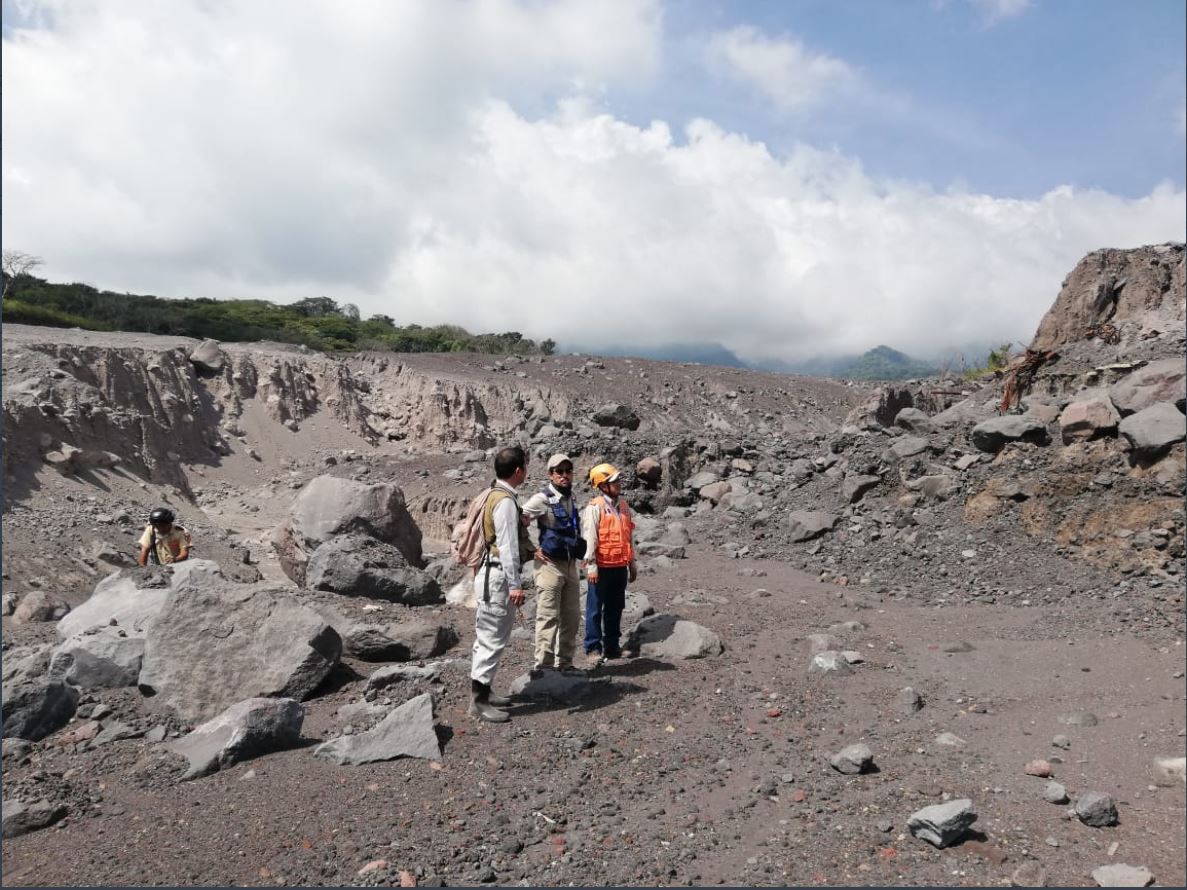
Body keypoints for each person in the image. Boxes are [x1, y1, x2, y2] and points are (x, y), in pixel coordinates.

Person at [469, 445, 535, 723]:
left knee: (489, 636)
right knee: (492, 638)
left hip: (490, 575)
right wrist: (515, 583)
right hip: (497, 577)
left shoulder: (494, 495)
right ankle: (479, 702)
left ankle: (484, 691)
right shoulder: (505, 501)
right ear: (518, 470)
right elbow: (507, 547)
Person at [521, 454, 585, 673]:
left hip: (570, 565)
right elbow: (519, 517)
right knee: (548, 615)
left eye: (568, 471)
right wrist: (531, 548)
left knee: (572, 616)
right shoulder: (542, 499)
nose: (565, 475)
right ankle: (544, 666)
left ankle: (565, 662)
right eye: (560, 471)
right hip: (549, 566)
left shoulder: (571, 497)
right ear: (551, 475)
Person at [580, 463, 637, 669]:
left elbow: (628, 537)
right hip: (601, 566)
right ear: (603, 485)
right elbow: (590, 539)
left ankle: (612, 646)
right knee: (595, 608)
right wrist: (591, 566)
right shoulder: (594, 508)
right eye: (614, 481)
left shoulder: (623, 506)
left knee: (615, 607)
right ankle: (593, 648)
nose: (618, 484)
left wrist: (632, 563)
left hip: (619, 566)